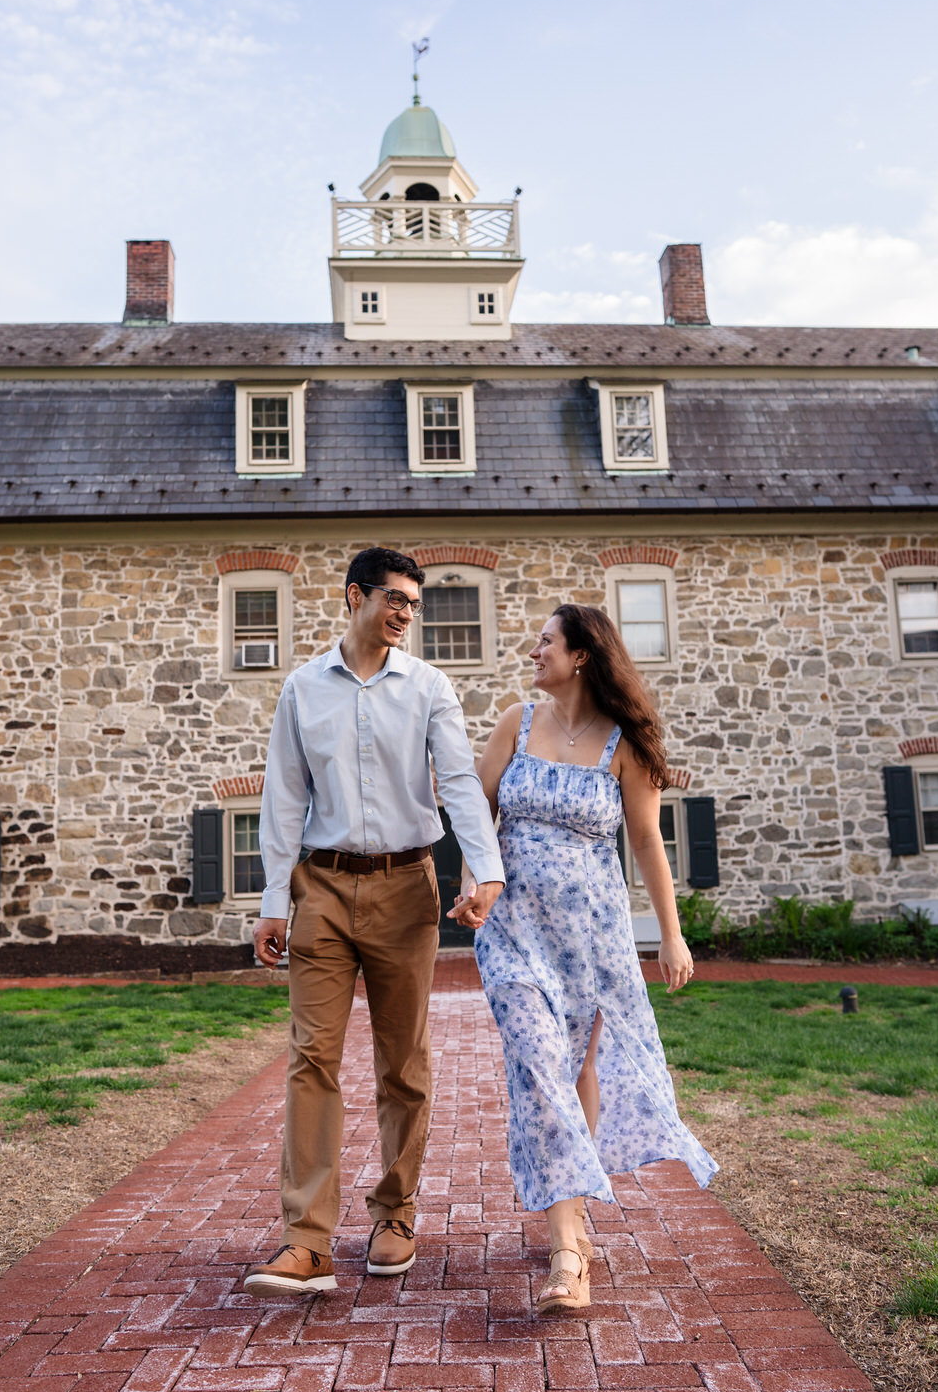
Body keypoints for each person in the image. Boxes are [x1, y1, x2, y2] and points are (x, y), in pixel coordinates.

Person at [244, 546, 504, 1298]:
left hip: (404, 888)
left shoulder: (428, 686)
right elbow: (283, 800)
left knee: (402, 1063)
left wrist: (484, 871)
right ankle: (307, 1241)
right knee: (311, 1058)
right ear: (353, 595)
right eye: (393, 598)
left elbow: (457, 780)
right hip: (320, 888)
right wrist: (271, 901)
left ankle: (394, 1213)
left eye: (413, 604)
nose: (405, 613)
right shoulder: (302, 689)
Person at [451, 603, 717, 1313]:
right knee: (539, 1065)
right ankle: (568, 1249)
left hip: (591, 941)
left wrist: (672, 932)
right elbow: (476, 811)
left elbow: (647, 842)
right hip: (511, 933)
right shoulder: (517, 722)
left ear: (583, 657)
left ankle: (570, 1216)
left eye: (546, 642)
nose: (533, 650)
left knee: (576, 1070)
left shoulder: (624, 744)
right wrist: (471, 882)